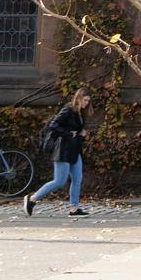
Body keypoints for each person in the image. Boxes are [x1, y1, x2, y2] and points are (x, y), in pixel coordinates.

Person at [25, 88, 91, 216]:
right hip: (63, 150)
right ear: (78, 98)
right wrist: (67, 134)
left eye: (88, 101)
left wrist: (82, 134)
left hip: (75, 149)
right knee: (59, 181)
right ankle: (32, 199)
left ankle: (74, 208)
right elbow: (53, 125)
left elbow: (75, 130)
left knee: (77, 179)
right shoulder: (68, 109)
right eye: (85, 100)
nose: (87, 103)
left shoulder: (80, 112)